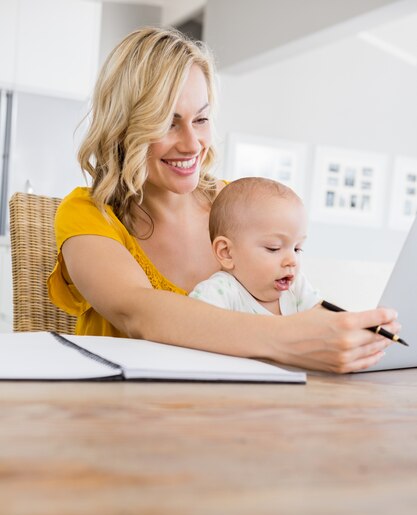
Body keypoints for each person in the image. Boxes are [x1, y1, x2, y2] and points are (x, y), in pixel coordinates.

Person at [47, 26, 398, 373]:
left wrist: (356, 337)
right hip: (124, 414)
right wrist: (290, 340)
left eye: (201, 119)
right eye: (168, 123)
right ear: (124, 126)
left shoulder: (239, 206)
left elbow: (293, 298)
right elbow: (138, 313)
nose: (192, 143)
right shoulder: (88, 214)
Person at [189, 177, 321, 315]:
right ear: (227, 252)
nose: (292, 260)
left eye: (297, 249)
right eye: (273, 248)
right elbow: (193, 327)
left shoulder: (297, 288)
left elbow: (327, 321)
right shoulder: (219, 292)